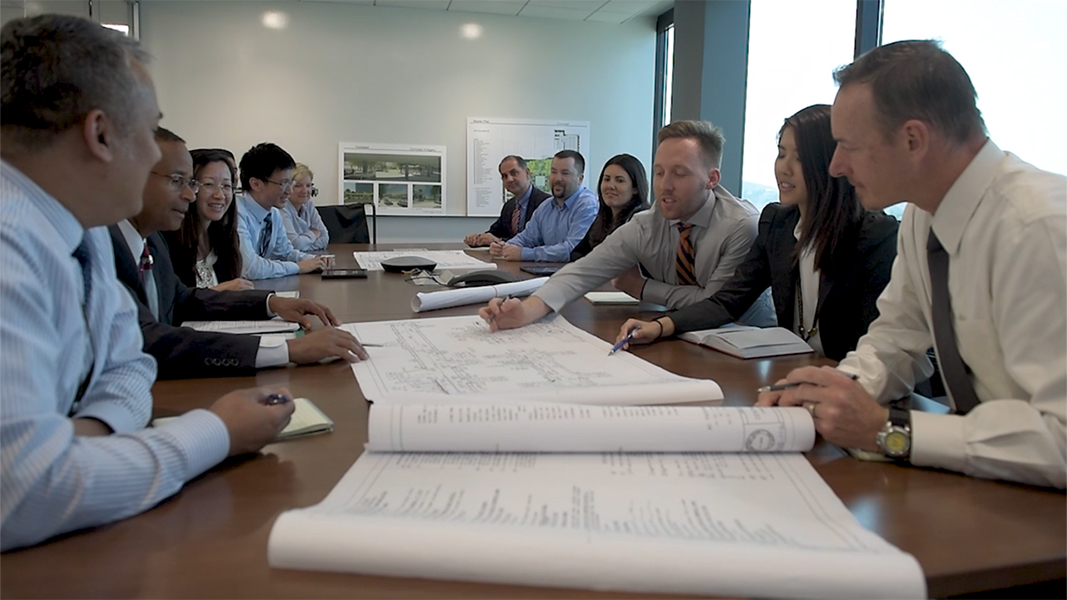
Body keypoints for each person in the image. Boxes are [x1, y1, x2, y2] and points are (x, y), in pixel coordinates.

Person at [0, 14, 294, 552]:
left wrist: (83, 442)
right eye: (148, 129)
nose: (158, 156)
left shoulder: (82, 231)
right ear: (101, 134)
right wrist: (215, 433)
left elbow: (129, 363)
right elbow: (24, 492)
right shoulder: (11, 245)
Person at [757, 41, 1066, 489]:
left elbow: (1061, 436)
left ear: (913, 140)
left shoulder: (1038, 228)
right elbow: (895, 341)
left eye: (847, 146)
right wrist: (831, 396)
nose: (836, 166)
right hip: (995, 482)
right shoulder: (924, 216)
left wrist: (890, 431)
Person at [616, 105, 898, 361]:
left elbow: (881, 346)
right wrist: (661, 326)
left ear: (832, 163)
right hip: (795, 369)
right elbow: (729, 299)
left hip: (858, 381)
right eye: (781, 153)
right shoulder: (778, 224)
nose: (783, 168)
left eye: (799, 158)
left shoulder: (876, 237)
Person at [110, 128, 367, 379]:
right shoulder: (109, 248)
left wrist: (271, 303)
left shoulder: (151, 241)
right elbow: (149, 339)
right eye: (178, 181)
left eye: (191, 183)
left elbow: (183, 299)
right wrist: (286, 350)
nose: (189, 195)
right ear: (132, 176)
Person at [480, 120, 776, 330]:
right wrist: (526, 311)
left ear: (712, 179)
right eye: (659, 172)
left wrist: (643, 287)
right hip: (677, 333)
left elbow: (714, 304)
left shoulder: (741, 226)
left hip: (745, 340)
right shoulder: (647, 224)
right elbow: (583, 271)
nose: (664, 186)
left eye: (679, 173)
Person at [235, 143, 329, 279]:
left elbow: (285, 253)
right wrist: (298, 267)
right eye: (283, 183)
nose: (289, 191)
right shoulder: (236, 213)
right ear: (256, 184)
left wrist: (315, 260)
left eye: (290, 183)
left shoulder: (273, 214)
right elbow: (250, 268)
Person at [164, 148, 252, 291]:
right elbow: (171, 300)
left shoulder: (224, 237)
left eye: (226, 186)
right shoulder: (167, 241)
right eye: (209, 184)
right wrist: (219, 291)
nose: (219, 195)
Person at [488, 150, 598, 262]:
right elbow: (527, 237)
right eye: (553, 172)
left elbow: (571, 250)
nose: (557, 178)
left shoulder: (587, 205)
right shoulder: (546, 206)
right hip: (551, 269)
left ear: (580, 179)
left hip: (574, 270)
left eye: (565, 173)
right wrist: (503, 247)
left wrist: (524, 254)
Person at [570, 153, 650, 261]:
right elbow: (576, 253)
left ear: (635, 188)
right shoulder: (602, 219)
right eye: (606, 179)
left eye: (620, 181)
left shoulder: (641, 222)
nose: (610, 186)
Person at [464, 155, 550, 247]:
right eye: (504, 176)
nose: (509, 179)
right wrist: (478, 239)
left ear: (527, 173)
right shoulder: (509, 206)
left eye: (514, 173)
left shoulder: (546, 203)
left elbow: (540, 241)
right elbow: (494, 233)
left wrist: (499, 241)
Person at [281, 162, 329, 252]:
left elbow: (325, 238)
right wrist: (313, 234)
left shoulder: (308, 205)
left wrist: (304, 246)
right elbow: (294, 244)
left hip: (305, 256)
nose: (305, 191)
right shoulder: (281, 208)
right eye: (298, 186)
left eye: (308, 186)